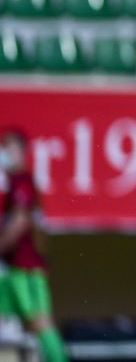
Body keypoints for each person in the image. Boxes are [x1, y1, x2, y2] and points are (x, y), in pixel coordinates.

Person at [0, 129, 67, 362]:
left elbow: (19, 222)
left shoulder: (22, 182)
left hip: (25, 266)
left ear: (21, 151)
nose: (3, 152)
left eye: (7, 147)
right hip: (10, 267)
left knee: (39, 319)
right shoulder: (11, 183)